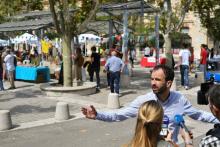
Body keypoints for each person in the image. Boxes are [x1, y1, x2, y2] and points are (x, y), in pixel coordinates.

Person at [81, 65, 218, 132]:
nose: (153, 83)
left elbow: (199, 115)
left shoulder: (179, 99)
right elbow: (119, 115)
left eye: (157, 80)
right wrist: (98, 115)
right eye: (151, 79)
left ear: (169, 83)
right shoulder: (144, 100)